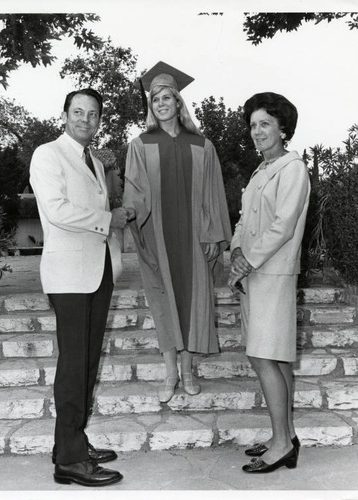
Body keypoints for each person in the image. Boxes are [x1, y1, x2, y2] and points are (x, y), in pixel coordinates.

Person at [30, 88, 128, 487]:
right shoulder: (48, 155)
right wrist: (109, 219)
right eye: (78, 112)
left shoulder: (93, 159)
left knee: (86, 363)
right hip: (69, 276)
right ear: (65, 114)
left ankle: (71, 442)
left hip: (97, 271)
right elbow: (57, 210)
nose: (85, 119)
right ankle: (70, 460)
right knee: (74, 365)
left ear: (99, 120)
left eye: (93, 114)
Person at [123, 61, 232, 403]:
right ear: (151, 106)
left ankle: (188, 370)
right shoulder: (140, 145)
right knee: (164, 301)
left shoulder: (202, 145)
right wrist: (131, 222)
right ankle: (171, 372)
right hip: (158, 236)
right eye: (155, 99)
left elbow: (214, 194)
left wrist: (215, 234)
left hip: (195, 238)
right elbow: (135, 194)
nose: (162, 103)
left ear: (179, 102)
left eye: (167, 97)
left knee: (193, 301)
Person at [228, 92, 310, 473]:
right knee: (273, 356)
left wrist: (249, 261)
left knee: (264, 356)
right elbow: (244, 221)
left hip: (273, 274)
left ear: (282, 129)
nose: (257, 131)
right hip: (254, 273)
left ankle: (280, 444)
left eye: (265, 124)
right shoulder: (261, 171)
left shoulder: (293, 169)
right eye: (253, 125)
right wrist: (235, 252)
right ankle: (286, 436)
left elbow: (283, 225)